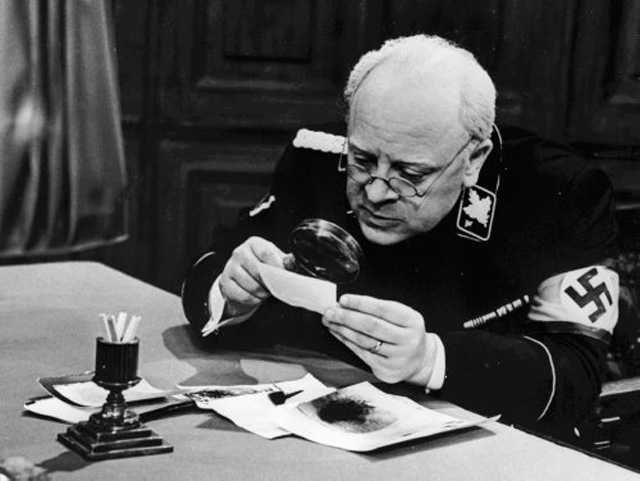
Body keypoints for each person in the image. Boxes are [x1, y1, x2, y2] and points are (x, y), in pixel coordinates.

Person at [181, 35, 619, 440]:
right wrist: (231, 295)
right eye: (363, 161)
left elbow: (577, 375)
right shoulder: (317, 156)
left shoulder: (557, 194)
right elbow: (212, 269)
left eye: (410, 174)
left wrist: (431, 359)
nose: (375, 193)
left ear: (474, 160)